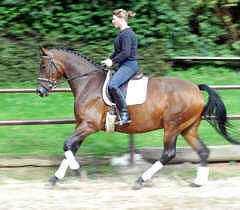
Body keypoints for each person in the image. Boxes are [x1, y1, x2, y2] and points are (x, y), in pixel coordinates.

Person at [101, 9, 138, 125]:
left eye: (114, 19)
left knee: (112, 85)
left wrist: (112, 61)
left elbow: (126, 53)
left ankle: (125, 114)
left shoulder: (127, 34)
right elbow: (118, 52)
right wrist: (108, 59)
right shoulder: (122, 33)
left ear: (121, 19)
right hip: (123, 65)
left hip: (129, 65)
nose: (112, 21)